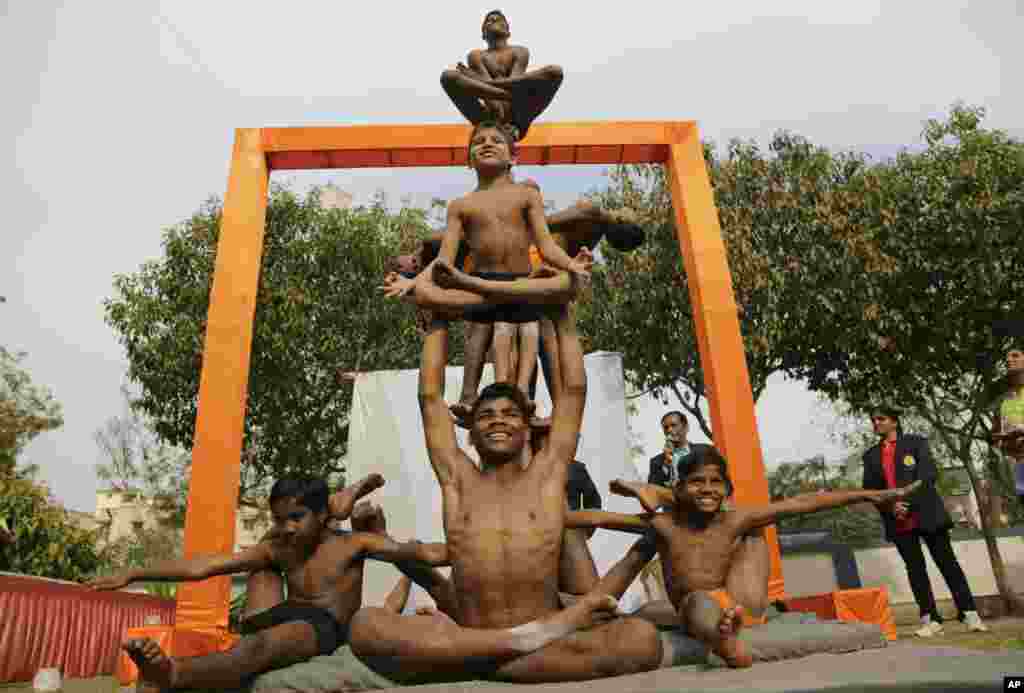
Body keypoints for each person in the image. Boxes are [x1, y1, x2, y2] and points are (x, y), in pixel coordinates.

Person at [346, 305, 663, 683]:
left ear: (527, 429)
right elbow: (429, 398)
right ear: (470, 432)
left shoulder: (547, 477)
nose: (498, 419)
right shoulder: (457, 480)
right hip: (498, 635)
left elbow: (574, 391)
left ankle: (480, 660)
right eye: (486, 415)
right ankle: (511, 651)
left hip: (528, 636)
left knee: (643, 640)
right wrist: (438, 322)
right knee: (365, 626)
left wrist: (561, 314)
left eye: (510, 414)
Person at [86, 474, 455, 690]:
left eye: (296, 517)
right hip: (283, 613)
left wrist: (470, 549)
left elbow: (423, 554)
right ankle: (240, 654)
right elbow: (204, 567)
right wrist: (134, 573)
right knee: (261, 564)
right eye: (280, 519)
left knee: (260, 645)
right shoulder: (279, 546)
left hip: (320, 625)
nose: (286, 527)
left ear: (322, 515)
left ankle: (173, 673)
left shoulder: (353, 544)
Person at [566, 448, 920, 667]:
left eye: (716, 482)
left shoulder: (735, 519)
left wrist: (873, 495)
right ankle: (719, 626)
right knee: (645, 612)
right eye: (697, 482)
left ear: (726, 488)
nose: (707, 488)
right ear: (680, 489)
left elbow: (804, 503)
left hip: (730, 605)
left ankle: (725, 643)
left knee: (699, 603)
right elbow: (597, 518)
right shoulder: (664, 525)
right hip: (697, 606)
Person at [383, 120, 591, 420]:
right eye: (479, 141)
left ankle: (542, 402)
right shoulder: (460, 206)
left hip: (517, 285)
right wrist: (413, 282)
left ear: (512, 158)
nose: (487, 143)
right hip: (494, 289)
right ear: (469, 160)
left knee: (562, 286)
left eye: (496, 140)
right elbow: (443, 260)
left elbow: (546, 246)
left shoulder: (527, 196)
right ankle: (468, 396)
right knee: (439, 299)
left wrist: (571, 264)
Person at [863, 407, 989, 636]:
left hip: (927, 514)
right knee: (915, 569)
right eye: (873, 419)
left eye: (880, 418)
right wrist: (891, 507)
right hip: (897, 521)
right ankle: (930, 619)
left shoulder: (916, 443)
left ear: (894, 421)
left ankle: (970, 613)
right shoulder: (870, 455)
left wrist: (907, 502)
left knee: (947, 563)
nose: (875, 423)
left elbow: (927, 475)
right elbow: (871, 491)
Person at [440, 10, 563, 140]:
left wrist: (477, 80)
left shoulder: (520, 51)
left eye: (498, 20)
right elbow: (489, 97)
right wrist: (498, 104)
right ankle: (499, 115)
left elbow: (514, 84)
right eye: (488, 20)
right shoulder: (476, 55)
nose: (492, 21)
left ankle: (510, 119)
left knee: (555, 72)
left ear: (508, 32)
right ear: (483, 35)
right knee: (448, 77)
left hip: (518, 115)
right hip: (488, 115)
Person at [991, 348, 1024, 506]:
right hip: (1017, 464)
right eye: (1007, 358)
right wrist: (1000, 440)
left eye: (1015, 356)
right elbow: (995, 434)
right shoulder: (1003, 400)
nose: (1009, 360)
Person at [648, 411, 711, 489]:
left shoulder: (705, 451)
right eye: (666, 427)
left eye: (673, 425)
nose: (669, 430)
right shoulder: (656, 462)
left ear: (686, 427)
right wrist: (666, 464)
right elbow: (652, 490)